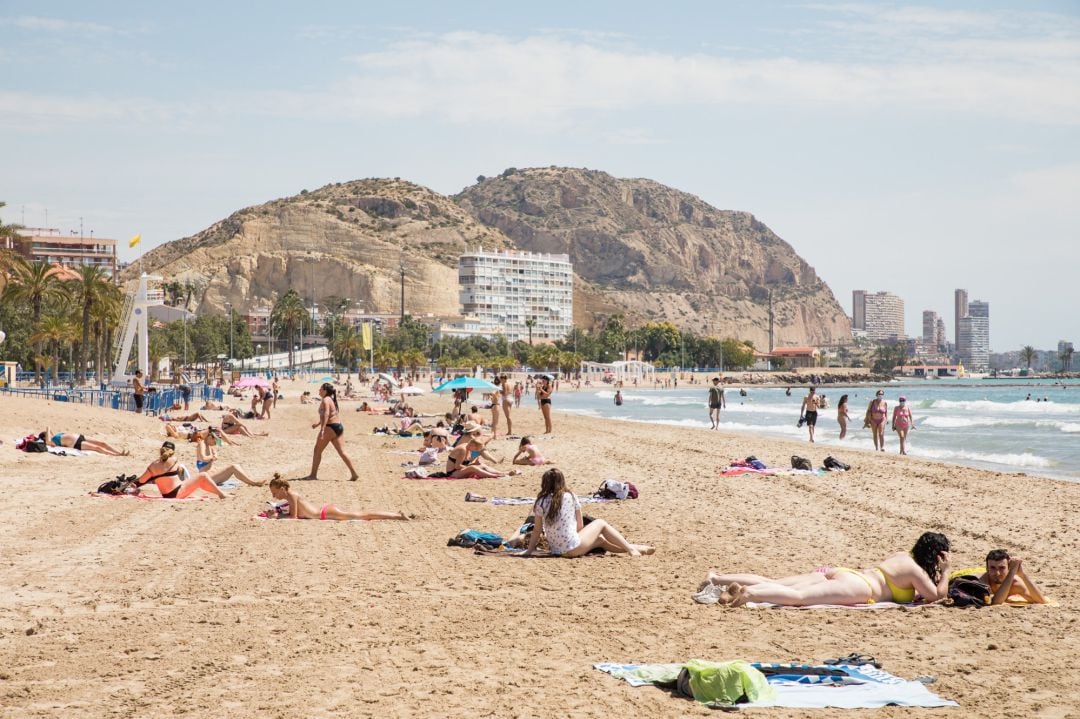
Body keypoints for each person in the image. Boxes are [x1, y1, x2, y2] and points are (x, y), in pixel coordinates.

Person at [698, 532, 952, 607]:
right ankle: (750, 594)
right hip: (861, 587)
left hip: (848, 573)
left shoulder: (902, 556)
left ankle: (717, 578)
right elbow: (937, 596)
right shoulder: (916, 571)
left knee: (779, 582)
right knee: (799, 599)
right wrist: (948, 569)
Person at [524, 468, 653, 558]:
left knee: (601, 540)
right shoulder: (571, 496)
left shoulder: (540, 501)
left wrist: (529, 551)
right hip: (572, 548)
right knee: (600, 523)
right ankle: (631, 549)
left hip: (557, 550)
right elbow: (580, 526)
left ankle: (638, 548)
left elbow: (537, 530)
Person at [263, 475, 407, 521]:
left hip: (326, 513)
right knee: (363, 515)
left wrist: (275, 517)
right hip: (326, 511)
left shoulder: (292, 495)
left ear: (282, 489)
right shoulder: (290, 497)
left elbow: (293, 518)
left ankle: (397, 516)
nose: (274, 496)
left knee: (364, 515)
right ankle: (397, 516)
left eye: (274, 492)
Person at [131, 441, 227, 499]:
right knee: (203, 476)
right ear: (172, 452)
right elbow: (182, 475)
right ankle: (221, 494)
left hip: (166, 495)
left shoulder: (153, 465)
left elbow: (142, 480)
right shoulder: (174, 460)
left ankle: (219, 493)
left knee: (200, 481)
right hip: (176, 493)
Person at [304, 382, 359, 481]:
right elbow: (331, 415)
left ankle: (313, 475)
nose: (319, 391)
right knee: (342, 452)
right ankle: (354, 473)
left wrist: (322, 429)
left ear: (325, 390)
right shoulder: (330, 400)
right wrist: (317, 424)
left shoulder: (326, 400)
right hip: (338, 427)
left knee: (317, 451)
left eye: (320, 389)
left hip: (330, 428)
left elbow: (326, 414)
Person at [980, 549, 1048, 605]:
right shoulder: (984, 581)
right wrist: (1011, 572)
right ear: (987, 569)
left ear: (1008, 568)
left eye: (1002, 568)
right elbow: (994, 602)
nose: (997, 573)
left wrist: (1023, 575)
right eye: (992, 568)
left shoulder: (1015, 583)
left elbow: (1041, 601)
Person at [40, 428, 128, 456]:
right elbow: (48, 432)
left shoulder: (56, 435)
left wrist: (48, 431)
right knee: (97, 448)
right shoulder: (51, 442)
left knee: (102, 443)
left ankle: (119, 452)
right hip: (75, 443)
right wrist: (47, 429)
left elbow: (50, 431)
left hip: (80, 436)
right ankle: (117, 455)